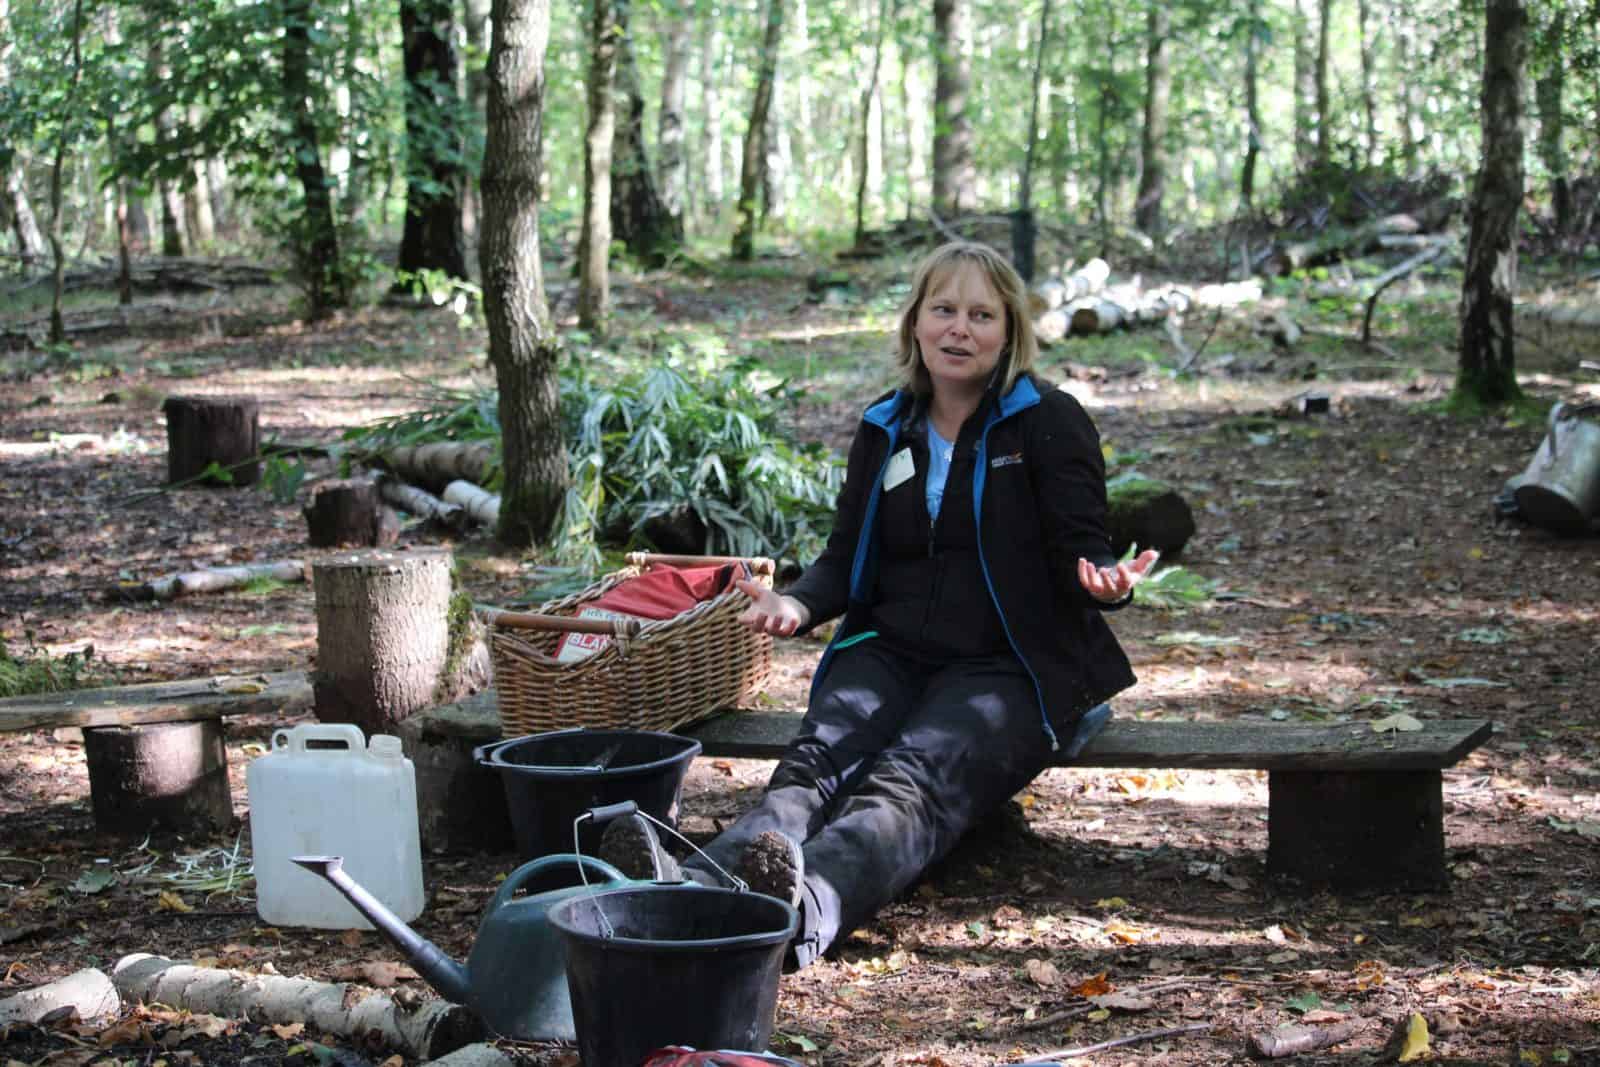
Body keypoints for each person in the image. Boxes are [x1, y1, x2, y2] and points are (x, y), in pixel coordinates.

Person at [600, 240, 1158, 968]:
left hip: (1006, 668)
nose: (960, 328)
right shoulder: (885, 424)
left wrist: (1104, 579)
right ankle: (686, 889)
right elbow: (844, 556)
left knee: (905, 786)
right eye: (945, 309)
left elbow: (1085, 546)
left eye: (981, 314)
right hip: (890, 651)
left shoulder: (1049, 422)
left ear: (1009, 331)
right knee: (810, 768)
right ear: (916, 323)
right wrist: (797, 605)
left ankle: (798, 911)